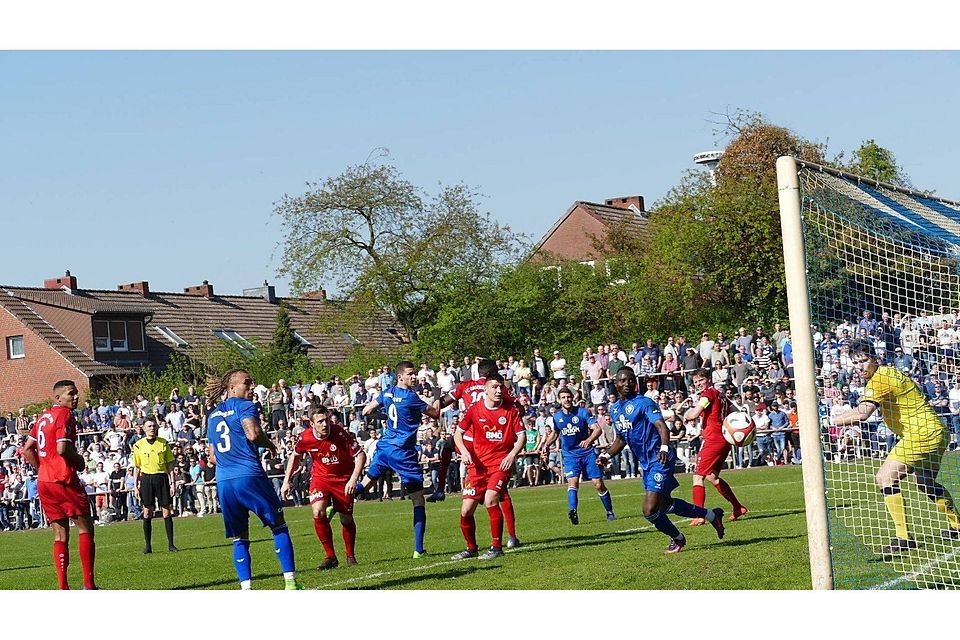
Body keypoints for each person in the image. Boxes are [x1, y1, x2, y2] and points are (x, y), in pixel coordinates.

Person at [832, 345, 960, 557]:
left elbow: (863, 413)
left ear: (875, 358)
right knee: (925, 483)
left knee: (884, 478)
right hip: (936, 431)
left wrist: (827, 421)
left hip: (921, 433)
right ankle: (957, 524)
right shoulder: (891, 373)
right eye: (855, 362)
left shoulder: (880, 378)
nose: (859, 366)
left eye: (863, 360)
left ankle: (904, 538)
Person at [601, 368, 724, 554]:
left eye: (631, 380)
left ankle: (678, 538)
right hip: (646, 464)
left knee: (649, 510)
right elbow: (620, 439)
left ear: (636, 382)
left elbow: (661, 426)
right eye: (622, 381)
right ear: (615, 383)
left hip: (660, 459)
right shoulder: (615, 410)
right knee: (665, 505)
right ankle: (711, 514)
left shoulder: (644, 403)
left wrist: (665, 448)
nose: (627, 384)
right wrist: (606, 456)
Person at [205, 369, 302, 589]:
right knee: (278, 525)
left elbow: (211, 456)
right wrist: (271, 445)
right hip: (248, 475)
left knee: (239, 537)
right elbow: (253, 434)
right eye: (247, 383)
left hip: (224, 481)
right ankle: (291, 584)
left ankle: (247, 589)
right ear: (232, 387)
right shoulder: (245, 406)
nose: (251, 387)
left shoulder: (212, 415)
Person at [357, 360, 442, 558]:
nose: (414, 377)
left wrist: (385, 416)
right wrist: (437, 395)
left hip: (384, 448)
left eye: (415, 374)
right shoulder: (411, 397)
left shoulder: (387, 392)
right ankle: (418, 550)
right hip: (403, 452)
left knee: (365, 485)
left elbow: (366, 411)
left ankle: (335, 505)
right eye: (411, 374)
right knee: (418, 500)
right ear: (400, 376)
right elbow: (435, 413)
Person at [436, 358, 521, 547]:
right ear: (493, 373)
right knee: (502, 493)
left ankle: (440, 487)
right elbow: (516, 406)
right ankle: (512, 536)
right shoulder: (498, 388)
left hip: (468, 442)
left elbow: (442, 402)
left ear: (477, 372)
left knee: (447, 447)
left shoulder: (465, 386)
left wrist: (432, 404)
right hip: (485, 442)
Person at [21, 380, 97, 589]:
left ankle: (63, 587)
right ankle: (89, 586)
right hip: (63, 479)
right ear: (58, 398)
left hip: (45, 481)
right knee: (85, 528)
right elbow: (63, 449)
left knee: (60, 533)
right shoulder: (64, 414)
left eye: (76, 393)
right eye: (71, 394)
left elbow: (27, 449)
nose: (75, 397)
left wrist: (43, 469)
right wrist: (79, 460)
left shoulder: (43, 416)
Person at [451, 374, 526, 561]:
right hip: (476, 467)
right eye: (494, 387)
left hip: (500, 464)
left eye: (501, 387)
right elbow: (458, 434)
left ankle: (496, 547)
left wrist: (511, 455)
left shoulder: (511, 411)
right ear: (486, 389)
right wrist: (464, 451)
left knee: (491, 499)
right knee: (465, 510)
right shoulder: (474, 409)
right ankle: (471, 548)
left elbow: (522, 437)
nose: (499, 390)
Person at [282, 406, 366, 569]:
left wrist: (353, 479)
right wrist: (286, 481)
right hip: (321, 478)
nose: (325, 424)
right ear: (312, 424)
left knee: (346, 518)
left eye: (326, 420)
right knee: (318, 512)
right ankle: (330, 556)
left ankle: (350, 555)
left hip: (343, 479)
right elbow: (295, 456)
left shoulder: (340, 433)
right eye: (320, 421)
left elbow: (361, 455)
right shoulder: (305, 437)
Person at [682, 369, 748, 524]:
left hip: (713, 440)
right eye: (696, 382)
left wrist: (686, 415)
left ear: (708, 380)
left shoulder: (707, 395)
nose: (698, 384)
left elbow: (696, 413)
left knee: (698, 477)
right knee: (712, 477)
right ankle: (738, 507)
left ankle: (699, 515)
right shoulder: (721, 395)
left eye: (701, 380)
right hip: (724, 440)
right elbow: (736, 411)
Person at [540, 388, 615, 524]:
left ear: (572, 398)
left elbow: (597, 429)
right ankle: (573, 511)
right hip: (570, 455)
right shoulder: (557, 417)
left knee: (598, 484)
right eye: (563, 397)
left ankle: (610, 512)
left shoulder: (582, 412)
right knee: (573, 483)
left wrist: (588, 440)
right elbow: (556, 433)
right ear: (559, 400)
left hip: (587, 453)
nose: (566, 399)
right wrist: (546, 445)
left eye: (568, 397)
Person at [132, 419, 178, 553]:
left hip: (161, 478)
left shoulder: (163, 443)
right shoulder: (138, 445)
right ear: (144, 429)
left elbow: (170, 464)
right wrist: (136, 485)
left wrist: (172, 482)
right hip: (146, 478)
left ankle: (171, 544)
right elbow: (137, 467)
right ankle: (148, 546)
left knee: (166, 510)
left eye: (153, 425)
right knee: (147, 511)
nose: (152, 428)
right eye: (149, 426)